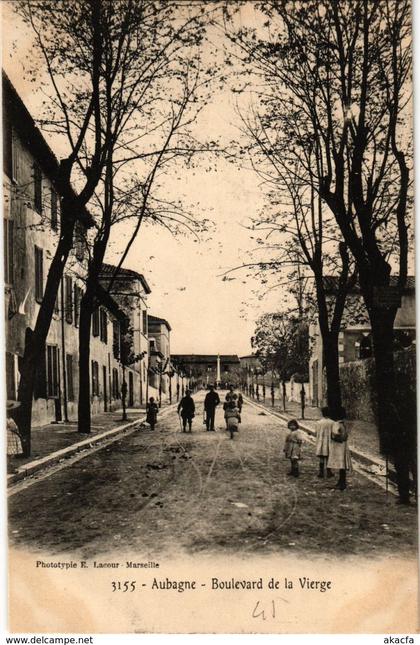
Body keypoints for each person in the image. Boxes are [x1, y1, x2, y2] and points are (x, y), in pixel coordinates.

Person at [327, 406, 352, 490]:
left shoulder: (336, 424)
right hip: (344, 446)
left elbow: (335, 434)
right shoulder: (343, 423)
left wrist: (333, 437)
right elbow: (345, 435)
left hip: (338, 446)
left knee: (341, 464)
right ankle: (342, 481)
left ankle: (342, 483)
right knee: (343, 465)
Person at [315, 407, 335, 479]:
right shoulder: (332, 423)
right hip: (329, 442)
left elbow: (316, 432)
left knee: (322, 458)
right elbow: (334, 434)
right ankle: (329, 472)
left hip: (321, 442)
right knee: (328, 457)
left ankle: (321, 472)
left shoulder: (318, 422)